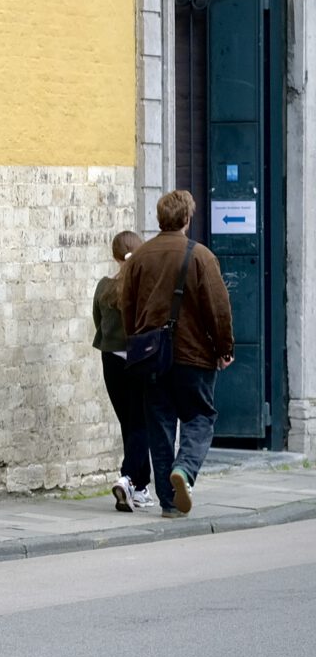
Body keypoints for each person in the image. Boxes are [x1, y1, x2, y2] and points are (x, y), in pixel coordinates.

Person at [118, 190, 235, 517]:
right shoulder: (200, 257)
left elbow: (126, 307)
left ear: (160, 219)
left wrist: (137, 344)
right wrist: (224, 348)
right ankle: (184, 469)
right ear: (187, 218)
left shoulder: (139, 258)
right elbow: (219, 308)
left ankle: (169, 503)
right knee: (200, 417)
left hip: (153, 358)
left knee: (161, 427)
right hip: (194, 356)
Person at [94, 230, 153, 512]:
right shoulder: (146, 288)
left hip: (111, 360)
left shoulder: (104, 287)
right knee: (142, 423)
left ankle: (141, 488)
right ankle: (128, 477)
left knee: (129, 424)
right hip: (139, 360)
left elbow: (98, 322)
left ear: (114, 255)